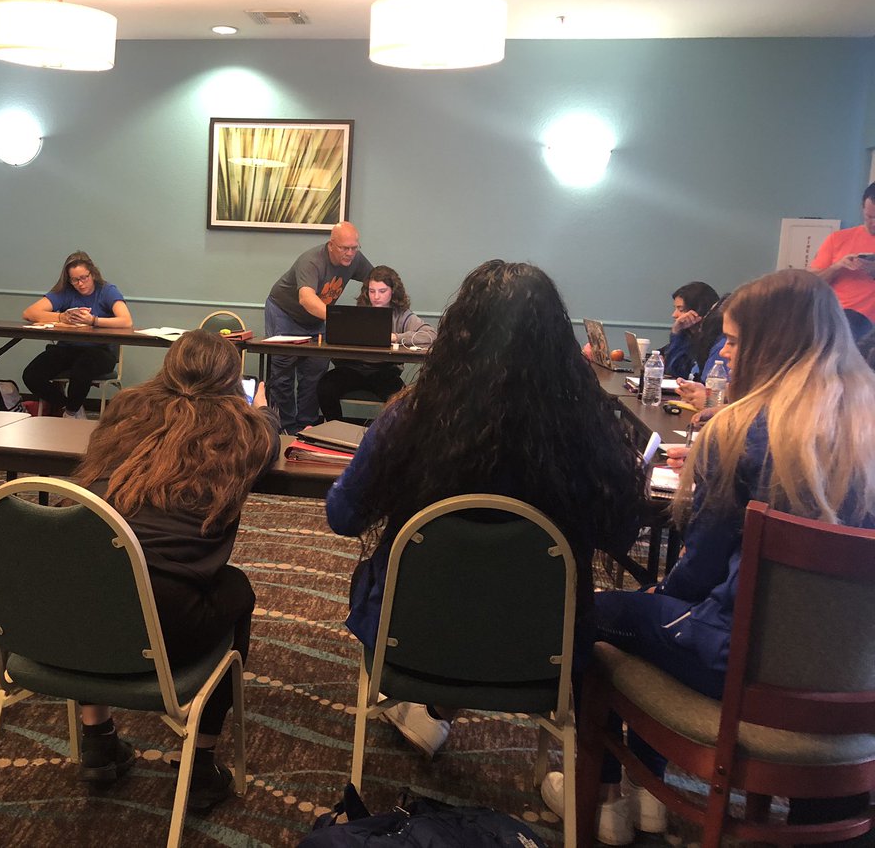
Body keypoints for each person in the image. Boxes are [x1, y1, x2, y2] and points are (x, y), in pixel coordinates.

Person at [546, 269, 875, 845]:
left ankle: (608, 796)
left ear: (775, 347)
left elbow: (694, 576)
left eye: (737, 340)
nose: (723, 351)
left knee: (589, 610)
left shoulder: (745, 429)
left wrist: (655, 598)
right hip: (855, 689)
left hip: (741, 669)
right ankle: (656, 796)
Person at [327, 260, 645, 759]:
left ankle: (432, 709)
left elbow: (343, 517)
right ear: (557, 344)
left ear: (458, 334)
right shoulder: (585, 431)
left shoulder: (409, 418)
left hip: (412, 641)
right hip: (542, 654)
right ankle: (598, 793)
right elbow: (623, 531)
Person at [72, 329, 279, 811]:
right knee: (236, 588)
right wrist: (264, 407)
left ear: (168, 368)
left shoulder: (124, 410)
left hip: (79, 604)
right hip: (167, 617)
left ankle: (98, 740)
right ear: (232, 381)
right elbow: (271, 438)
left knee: (104, 570)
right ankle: (201, 767)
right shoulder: (245, 429)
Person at [264, 221, 374, 432]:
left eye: (354, 248)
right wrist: (340, 321)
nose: (350, 254)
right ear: (331, 245)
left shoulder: (355, 259)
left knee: (315, 372)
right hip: (285, 313)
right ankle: (285, 428)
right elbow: (307, 299)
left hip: (317, 319)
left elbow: (377, 279)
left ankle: (306, 426)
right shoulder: (312, 261)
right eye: (345, 248)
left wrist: (376, 305)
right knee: (283, 375)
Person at [21, 251, 133, 417]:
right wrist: (62, 317)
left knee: (82, 367)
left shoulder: (107, 290)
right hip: (68, 348)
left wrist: (94, 321)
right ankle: (71, 407)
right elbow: (29, 313)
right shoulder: (66, 292)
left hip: (100, 351)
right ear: (69, 280)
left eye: (84, 278)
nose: (80, 284)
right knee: (31, 375)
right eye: (75, 280)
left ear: (93, 274)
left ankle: (72, 411)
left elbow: (126, 321)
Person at [316, 266, 435, 420]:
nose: (376, 296)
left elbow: (431, 335)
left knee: (402, 401)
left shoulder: (403, 315)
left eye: (382, 291)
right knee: (325, 388)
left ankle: (385, 436)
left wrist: (396, 337)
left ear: (393, 291)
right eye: (372, 291)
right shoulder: (358, 313)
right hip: (352, 370)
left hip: (385, 372)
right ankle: (336, 427)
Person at [812, 182, 875, 325]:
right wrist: (837, 266)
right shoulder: (837, 239)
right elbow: (812, 283)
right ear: (862, 209)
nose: (874, 222)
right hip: (840, 320)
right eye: (870, 216)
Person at [661, 281, 720, 380]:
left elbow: (679, 373)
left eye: (681, 309)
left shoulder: (715, 341)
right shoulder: (686, 335)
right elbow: (671, 371)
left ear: (697, 311)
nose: (674, 315)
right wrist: (676, 332)